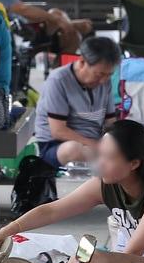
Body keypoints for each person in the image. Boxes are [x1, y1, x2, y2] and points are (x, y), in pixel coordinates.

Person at [0, 119, 144, 262]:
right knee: (79, 261)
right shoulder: (104, 184)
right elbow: (51, 211)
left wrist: (92, 261)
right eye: (100, 154)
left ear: (134, 163)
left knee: (85, 260)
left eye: (109, 157)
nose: (100, 163)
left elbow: (134, 252)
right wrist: (4, 233)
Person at [34, 36, 119, 167]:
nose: (103, 80)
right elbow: (58, 131)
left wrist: (115, 141)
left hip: (94, 143)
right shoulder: (58, 80)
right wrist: (97, 146)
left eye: (109, 75)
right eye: (99, 74)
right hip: (57, 145)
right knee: (73, 149)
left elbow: (110, 122)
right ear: (82, 62)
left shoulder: (105, 81)